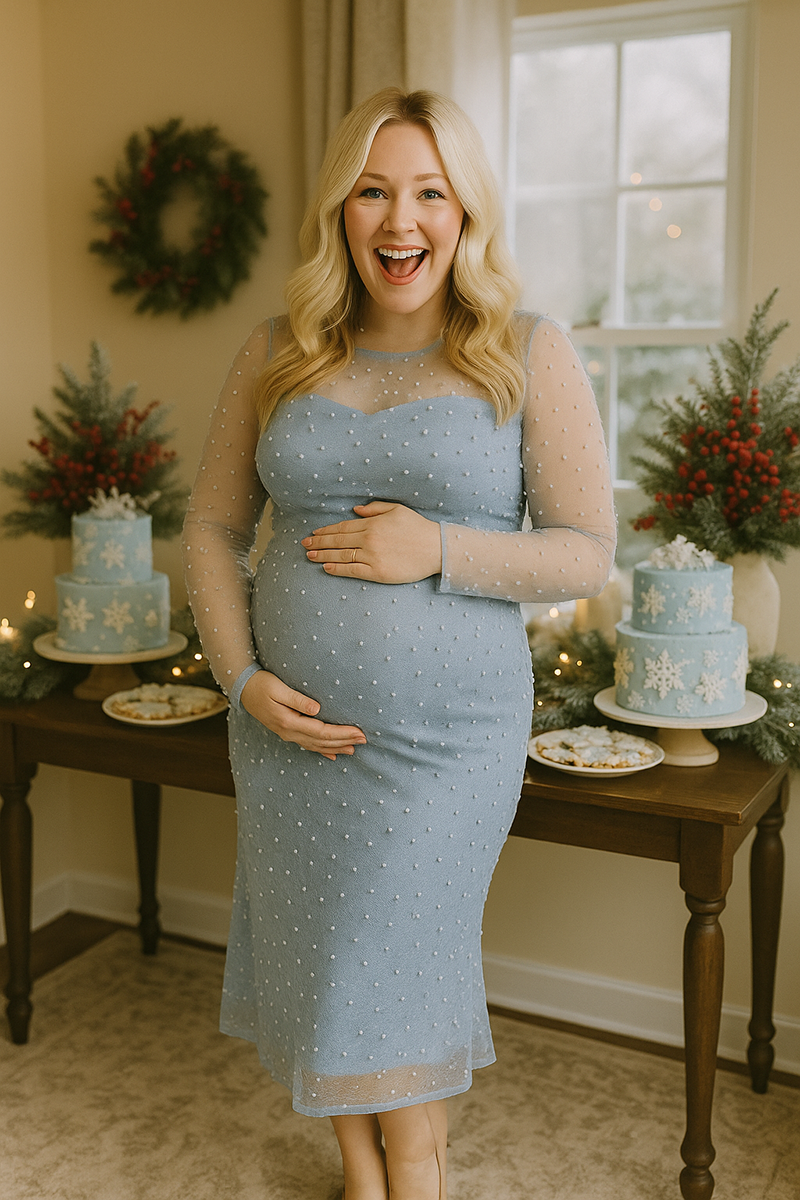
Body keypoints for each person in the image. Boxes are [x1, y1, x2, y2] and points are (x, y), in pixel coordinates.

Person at [182, 87, 615, 1200]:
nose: (398, 221)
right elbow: (212, 526)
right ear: (340, 211)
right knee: (330, 959)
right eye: (372, 191)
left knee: (397, 957)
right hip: (289, 736)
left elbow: (582, 552)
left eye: (428, 192)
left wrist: (440, 549)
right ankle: (361, 1174)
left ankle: (411, 1172)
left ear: (464, 213)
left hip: (445, 744)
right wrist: (240, 681)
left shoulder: (523, 352)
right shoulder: (276, 350)